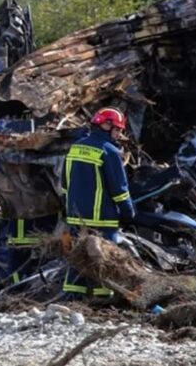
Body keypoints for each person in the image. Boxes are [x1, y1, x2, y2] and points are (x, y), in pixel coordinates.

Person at [62, 107, 136, 298]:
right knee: (104, 259)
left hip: (76, 216)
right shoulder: (109, 152)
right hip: (102, 218)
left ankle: (72, 298)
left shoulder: (75, 147)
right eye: (118, 129)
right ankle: (102, 298)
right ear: (106, 125)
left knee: (78, 257)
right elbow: (119, 189)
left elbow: (64, 183)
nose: (119, 134)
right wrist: (129, 212)